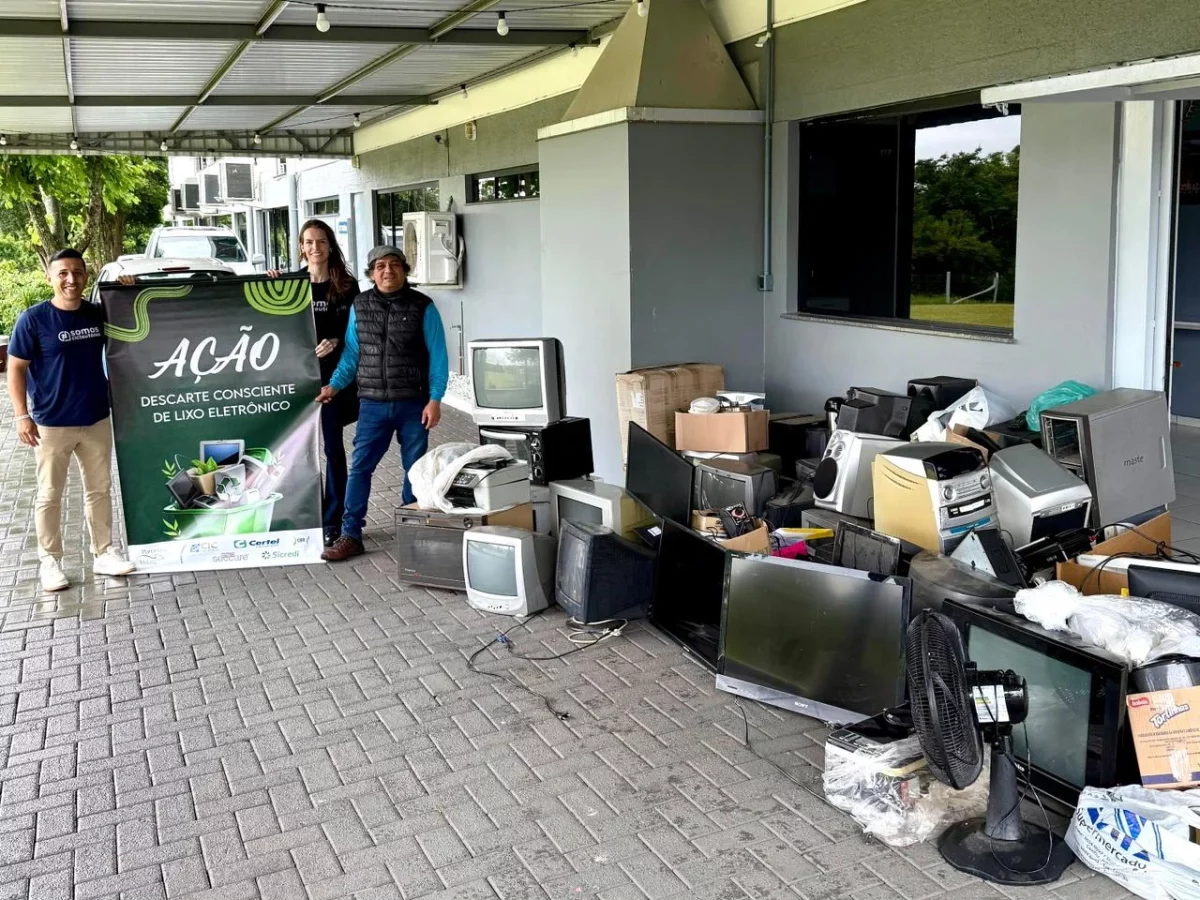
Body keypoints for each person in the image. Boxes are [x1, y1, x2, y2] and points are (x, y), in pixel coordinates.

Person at [6, 248, 136, 591]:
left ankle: (104, 552)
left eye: (77, 272)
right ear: (49, 277)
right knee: (50, 494)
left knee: (99, 490)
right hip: (51, 423)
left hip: (95, 418)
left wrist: (128, 289)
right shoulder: (33, 320)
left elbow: (132, 324)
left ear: (86, 276)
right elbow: (15, 368)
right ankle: (50, 562)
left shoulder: (97, 315)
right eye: (63, 273)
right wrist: (22, 415)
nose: (71, 279)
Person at [318, 246, 448, 562]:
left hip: (412, 404)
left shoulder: (423, 306)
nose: (387, 271)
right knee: (361, 467)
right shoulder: (360, 306)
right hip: (372, 405)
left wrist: (435, 399)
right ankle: (350, 535)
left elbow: (438, 356)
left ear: (404, 270)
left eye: (393, 265)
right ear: (371, 273)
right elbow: (351, 354)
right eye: (379, 266)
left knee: (414, 470)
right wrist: (334, 386)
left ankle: (410, 530)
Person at [270, 220, 360, 547]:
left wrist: (336, 340)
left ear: (330, 245)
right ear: (301, 246)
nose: (315, 248)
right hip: (296, 381)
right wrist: (270, 285)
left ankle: (332, 520)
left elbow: (356, 334)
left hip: (333, 382)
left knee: (333, 451)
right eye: (308, 242)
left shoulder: (347, 286)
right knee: (292, 450)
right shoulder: (290, 284)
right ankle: (294, 514)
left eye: (320, 241)